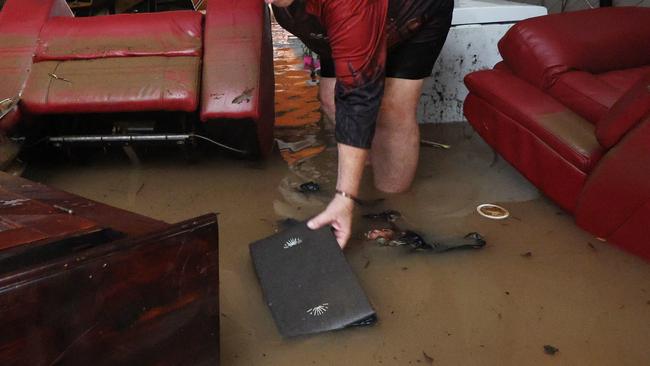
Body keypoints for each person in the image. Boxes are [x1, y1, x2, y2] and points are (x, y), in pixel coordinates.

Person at [267, 0, 453, 248]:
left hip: (413, 15)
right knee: (331, 98)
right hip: (341, 22)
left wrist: (344, 196)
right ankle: (362, 176)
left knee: (391, 111)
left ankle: (391, 209)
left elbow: (358, 95)